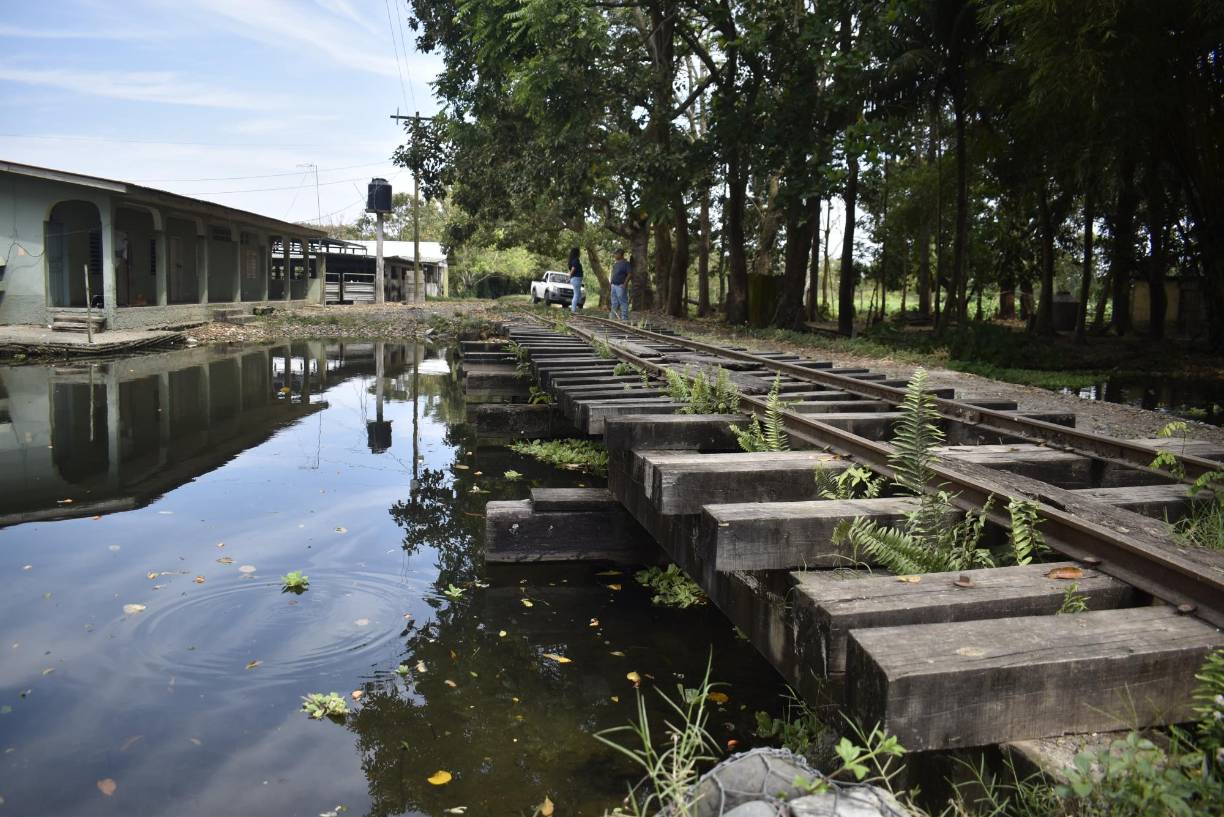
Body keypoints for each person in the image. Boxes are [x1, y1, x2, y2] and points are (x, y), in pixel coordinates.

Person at [609, 248, 631, 321]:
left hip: (620, 286)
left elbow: (630, 274)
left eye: (616, 254)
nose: (614, 255)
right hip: (613, 285)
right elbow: (613, 274)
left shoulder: (626, 263)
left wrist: (625, 284)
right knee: (614, 302)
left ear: (620, 254)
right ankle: (613, 317)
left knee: (623, 302)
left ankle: (624, 318)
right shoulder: (616, 264)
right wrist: (611, 283)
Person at [567, 247, 584, 313]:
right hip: (576, 279)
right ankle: (573, 310)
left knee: (578, 295)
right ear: (576, 253)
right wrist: (569, 277)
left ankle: (573, 307)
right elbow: (573, 269)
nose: (580, 253)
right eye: (579, 252)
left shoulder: (573, 260)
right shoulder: (575, 260)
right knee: (576, 295)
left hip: (576, 279)